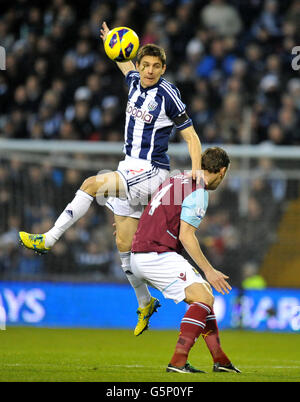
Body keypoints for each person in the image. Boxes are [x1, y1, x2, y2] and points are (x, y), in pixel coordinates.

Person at [19, 22, 203, 337]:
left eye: (155, 66)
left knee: (92, 184)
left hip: (151, 170)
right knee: (124, 245)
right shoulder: (133, 80)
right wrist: (111, 42)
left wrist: (197, 172)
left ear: (163, 69)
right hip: (128, 165)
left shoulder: (168, 95)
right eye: (145, 65)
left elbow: (192, 137)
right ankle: (145, 303)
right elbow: (123, 61)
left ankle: (47, 240)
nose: (149, 71)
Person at [131, 147, 240, 373]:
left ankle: (220, 360)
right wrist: (209, 270)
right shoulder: (198, 191)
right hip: (157, 254)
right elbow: (186, 235)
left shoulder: (177, 178)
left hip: (141, 252)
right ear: (221, 171)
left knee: (205, 296)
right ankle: (178, 360)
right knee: (202, 296)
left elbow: (154, 209)